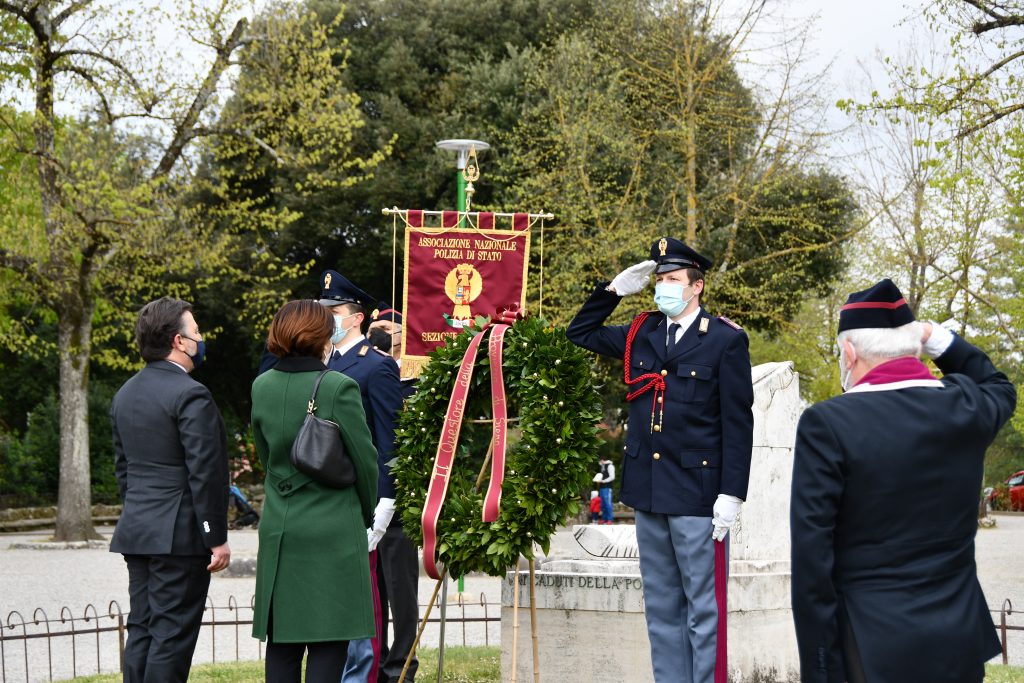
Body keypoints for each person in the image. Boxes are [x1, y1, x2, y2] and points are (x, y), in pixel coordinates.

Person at [790, 279, 1016, 683]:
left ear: (849, 351)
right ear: (915, 347)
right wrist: (934, 337)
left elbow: (812, 564)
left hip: (871, 645)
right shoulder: (966, 406)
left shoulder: (828, 424)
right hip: (958, 638)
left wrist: (821, 668)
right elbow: (996, 383)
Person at [567, 237, 754, 683]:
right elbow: (580, 333)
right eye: (659, 280)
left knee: (703, 611)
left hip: (698, 496)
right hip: (648, 491)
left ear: (697, 287)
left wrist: (731, 493)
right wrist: (611, 293)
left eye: (672, 280)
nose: (662, 287)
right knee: (663, 606)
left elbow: (737, 423)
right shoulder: (642, 332)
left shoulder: (725, 340)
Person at [250, 299, 379, 682]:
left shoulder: (261, 385)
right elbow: (364, 462)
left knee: (283, 642)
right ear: (322, 336)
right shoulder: (339, 386)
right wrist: (365, 513)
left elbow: (266, 458)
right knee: (329, 642)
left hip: (280, 526)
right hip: (333, 528)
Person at [109, 297, 231, 683]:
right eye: (196, 331)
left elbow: (123, 470)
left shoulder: (125, 393)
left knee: (142, 628)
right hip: (179, 536)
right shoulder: (191, 394)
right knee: (171, 635)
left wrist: (138, 512)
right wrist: (216, 537)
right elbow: (206, 473)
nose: (201, 337)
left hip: (138, 530)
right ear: (179, 341)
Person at [316, 273, 404, 683]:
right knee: (333, 601)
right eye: (323, 311)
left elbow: (389, 441)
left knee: (364, 605)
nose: (326, 319)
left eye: (333, 312)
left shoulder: (376, 366)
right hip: (327, 498)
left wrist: (385, 504)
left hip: (361, 497)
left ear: (356, 318)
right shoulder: (321, 363)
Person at [368, 301, 421, 682]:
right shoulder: (366, 371)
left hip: (401, 503)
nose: (379, 334)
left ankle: (400, 668)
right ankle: (373, 661)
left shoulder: (419, 380)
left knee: (401, 594)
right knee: (372, 594)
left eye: (386, 328)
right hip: (367, 497)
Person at [596, 456, 616, 524]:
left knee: (608, 504)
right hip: (602, 487)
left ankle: (610, 519)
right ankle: (604, 519)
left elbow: (612, 477)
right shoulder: (602, 466)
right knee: (603, 504)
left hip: (607, 487)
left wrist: (604, 481)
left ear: (602, 460)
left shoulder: (610, 466)